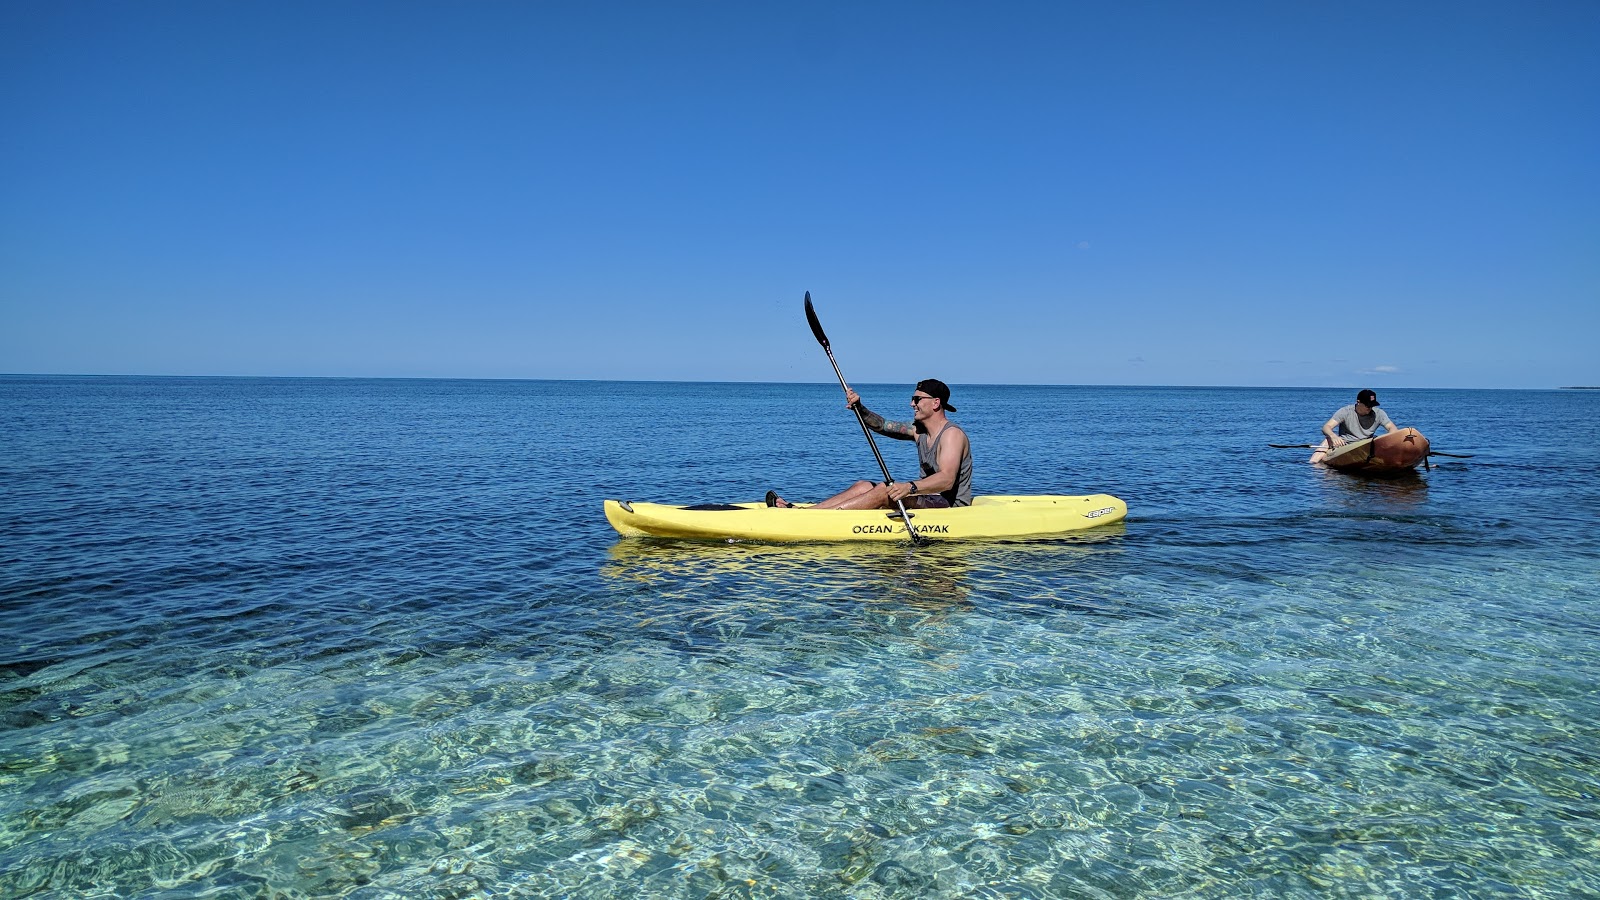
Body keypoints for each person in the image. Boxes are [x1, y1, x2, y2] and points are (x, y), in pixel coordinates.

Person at [767, 378, 973, 510]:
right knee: (863, 486)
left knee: (885, 489)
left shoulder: (951, 435)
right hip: (926, 497)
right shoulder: (919, 432)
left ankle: (814, 519)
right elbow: (883, 425)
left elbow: (946, 480)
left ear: (936, 403)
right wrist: (860, 407)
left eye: (917, 399)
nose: (912, 404)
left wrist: (908, 488)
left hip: (948, 506)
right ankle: (805, 513)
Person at [1310, 389, 1402, 464]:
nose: (1370, 408)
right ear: (1358, 402)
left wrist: (1390, 440)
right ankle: (1313, 466)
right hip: (1345, 445)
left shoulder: (1379, 413)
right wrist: (1334, 436)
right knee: (1327, 440)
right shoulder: (1345, 411)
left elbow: (1392, 428)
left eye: (1372, 405)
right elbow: (1326, 427)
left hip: (1366, 445)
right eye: (1367, 405)